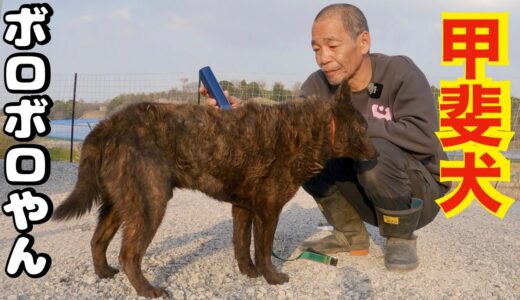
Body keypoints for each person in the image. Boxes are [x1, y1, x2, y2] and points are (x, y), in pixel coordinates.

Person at [203, 3, 451, 272]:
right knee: (301, 155)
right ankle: (350, 233)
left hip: (419, 195)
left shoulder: (400, 73)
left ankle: (400, 237)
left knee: (372, 149)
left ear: (363, 42)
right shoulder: (317, 85)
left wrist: (351, 126)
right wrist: (242, 114)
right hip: (366, 189)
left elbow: (424, 138)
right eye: (316, 49)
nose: (323, 58)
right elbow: (285, 129)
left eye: (332, 46)